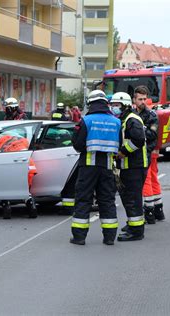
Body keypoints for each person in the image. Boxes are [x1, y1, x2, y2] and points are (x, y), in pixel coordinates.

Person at [70, 90, 121, 246]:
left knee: (83, 199)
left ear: (90, 103)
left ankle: (79, 237)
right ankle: (109, 237)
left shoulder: (86, 120)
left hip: (88, 166)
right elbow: (119, 144)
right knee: (107, 200)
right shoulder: (116, 121)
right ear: (106, 103)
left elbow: (77, 145)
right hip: (107, 166)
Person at [111, 92, 148, 242]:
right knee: (128, 198)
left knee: (133, 199)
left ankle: (136, 231)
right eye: (112, 105)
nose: (114, 108)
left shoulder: (132, 120)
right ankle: (132, 225)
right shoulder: (125, 119)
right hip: (128, 166)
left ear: (125, 105)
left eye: (117, 105)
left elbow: (139, 140)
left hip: (134, 167)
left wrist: (122, 152)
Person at [133, 85, 163, 224]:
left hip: (147, 152)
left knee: (147, 181)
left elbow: (152, 134)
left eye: (145, 99)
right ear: (134, 100)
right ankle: (158, 210)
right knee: (151, 179)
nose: (143, 102)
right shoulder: (133, 114)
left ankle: (150, 213)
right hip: (139, 152)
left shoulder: (151, 115)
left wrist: (140, 129)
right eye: (140, 99)